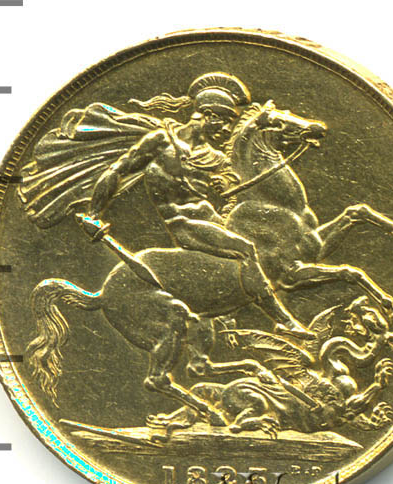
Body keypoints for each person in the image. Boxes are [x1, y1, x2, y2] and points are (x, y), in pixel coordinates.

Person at [78, 72, 311, 336]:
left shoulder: (214, 156)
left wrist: (225, 186)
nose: (226, 130)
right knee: (245, 249)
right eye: (225, 122)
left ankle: (231, 310)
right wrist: (93, 213)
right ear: (208, 115)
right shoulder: (161, 142)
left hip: (213, 220)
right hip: (183, 223)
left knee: (264, 253)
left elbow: (231, 187)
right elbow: (117, 171)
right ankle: (282, 320)